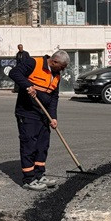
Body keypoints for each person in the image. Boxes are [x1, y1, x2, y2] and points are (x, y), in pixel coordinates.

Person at [9, 50, 70, 191]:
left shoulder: (56, 75)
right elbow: (14, 73)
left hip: (44, 114)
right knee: (29, 144)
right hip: (27, 112)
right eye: (62, 66)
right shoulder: (34, 62)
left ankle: (39, 174)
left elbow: (54, 97)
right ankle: (29, 179)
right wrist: (27, 85)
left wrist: (53, 117)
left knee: (42, 145)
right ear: (54, 62)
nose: (63, 70)